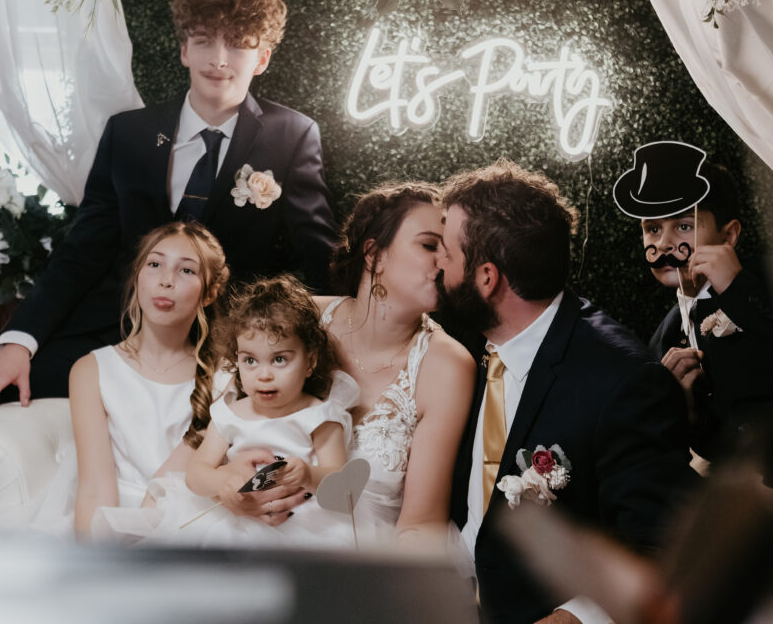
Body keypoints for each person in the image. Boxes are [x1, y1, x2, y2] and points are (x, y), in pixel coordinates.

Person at [0, 0, 337, 442]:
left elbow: (316, 253)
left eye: (237, 46)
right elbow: (82, 251)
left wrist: (276, 343)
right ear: (184, 51)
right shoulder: (131, 133)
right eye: (203, 43)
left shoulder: (291, 135)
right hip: (113, 330)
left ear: (262, 59)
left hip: (222, 344)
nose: (218, 60)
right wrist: (19, 342)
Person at [439, 159, 695, 624]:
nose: (438, 263)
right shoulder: (466, 354)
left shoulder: (622, 381)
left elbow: (660, 549)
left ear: (486, 278)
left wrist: (571, 620)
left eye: (447, 253)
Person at [617, 141, 773, 545]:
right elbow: (719, 441)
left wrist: (738, 290)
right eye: (653, 229)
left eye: (684, 226)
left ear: (730, 233)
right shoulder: (663, 340)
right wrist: (686, 411)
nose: (666, 243)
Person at [95, 275, 359, 547]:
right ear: (237, 360)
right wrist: (221, 482)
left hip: (305, 526)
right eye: (250, 360)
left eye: (280, 359)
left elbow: (340, 484)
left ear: (310, 361)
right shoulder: (229, 413)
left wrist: (308, 474)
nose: (264, 374)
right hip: (236, 521)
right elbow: (197, 473)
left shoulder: (320, 416)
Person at [38, 221, 228, 538]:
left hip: (197, 520)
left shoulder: (223, 373)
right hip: (118, 517)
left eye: (186, 271)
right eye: (154, 264)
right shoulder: (92, 370)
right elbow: (95, 490)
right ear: (138, 277)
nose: (166, 281)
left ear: (209, 293)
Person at [317, 182, 475, 542]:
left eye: (449, 250)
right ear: (374, 253)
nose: (443, 261)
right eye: (428, 245)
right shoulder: (300, 318)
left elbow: (421, 523)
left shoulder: (447, 366)